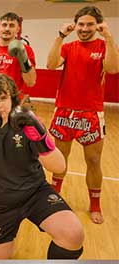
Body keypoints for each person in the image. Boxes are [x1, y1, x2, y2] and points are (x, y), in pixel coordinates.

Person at [0, 74, 85, 259]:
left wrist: (41, 136)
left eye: (3, 98)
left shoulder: (26, 124)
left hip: (35, 193)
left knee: (73, 234)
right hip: (0, 205)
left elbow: (59, 166)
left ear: (12, 97)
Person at [47, 5, 118, 225]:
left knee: (94, 160)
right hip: (64, 112)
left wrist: (108, 36)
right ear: (75, 25)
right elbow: (50, 65)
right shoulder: (69, 47)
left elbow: (113, 68)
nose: (85, 28)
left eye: (89, 24)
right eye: (81, 24)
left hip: (91, 113)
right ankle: (54, 196)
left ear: (97, 25)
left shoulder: (103, 45)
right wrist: (60, 36)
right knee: (60, 158)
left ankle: (94, 204)